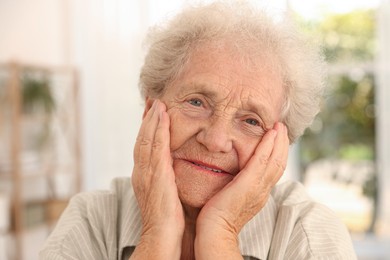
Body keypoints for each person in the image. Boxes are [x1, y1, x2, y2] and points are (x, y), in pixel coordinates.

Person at [40, 1, 357, 259]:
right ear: (151, 110)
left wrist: (221, 234)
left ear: (278, 146)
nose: (216, 140)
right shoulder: (91, 219)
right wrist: (157, 235)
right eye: (197, 102)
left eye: (251, 121)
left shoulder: (310, 231)